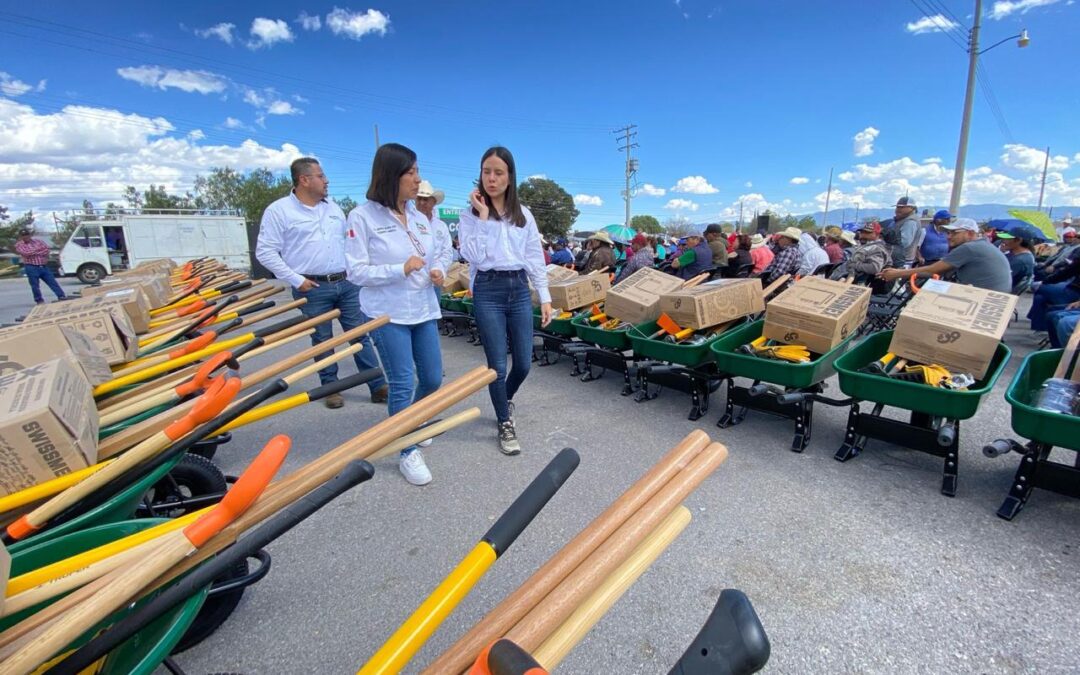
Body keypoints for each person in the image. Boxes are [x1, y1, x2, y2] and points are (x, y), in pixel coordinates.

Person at [344, 143, 443, 485]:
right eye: (412, 172)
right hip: (388, 313)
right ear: (391, 175)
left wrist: (438, 270)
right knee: (402, 381)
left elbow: (437, 253)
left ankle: (410, 421)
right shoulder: (362, 216)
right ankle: (405, 450)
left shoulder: (419, 217)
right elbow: (356, 272)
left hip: (423, 307)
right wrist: (398, 269)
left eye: (418, 171)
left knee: (432, 378)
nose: (418, 180)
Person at [256, 157, 388, 408]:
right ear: (304, 180)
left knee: (360, 334)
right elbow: (265, 252)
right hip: (312, 287)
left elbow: (348, 243)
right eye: (320, 176)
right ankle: (330, 387)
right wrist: (296, 279)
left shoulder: (334, 209)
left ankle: (377, 385)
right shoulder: (279, 211)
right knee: (323, 338)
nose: (326, 180)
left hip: (346, 283)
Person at [458, 146, 551, 455]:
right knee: (497, 365)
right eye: (487, 172)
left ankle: (503, 398)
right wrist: (484, 216)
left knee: (524, 363)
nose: (492, 178)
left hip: (519, 289)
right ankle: (503, 422)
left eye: (499, 172)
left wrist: (546, 297)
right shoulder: (470, 215)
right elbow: (472, 256)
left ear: (510, 177)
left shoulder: (523, 215)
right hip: (489, 289)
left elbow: (535, 258)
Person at [878, 218, 1011, 292]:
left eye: (954, 233)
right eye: (948, 233)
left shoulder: (970, 248)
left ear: (970, 233)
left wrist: (896, 273)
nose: (949, 237)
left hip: (983, 299)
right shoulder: (982, 245)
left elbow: (933, 269)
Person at [414, 179, 454, 297]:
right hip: (413, 281)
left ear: (433, 202)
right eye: (419, 199)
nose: (421, 202)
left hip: (434, 281)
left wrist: (439, 270)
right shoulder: (407, 223)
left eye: (425, 199)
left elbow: (447, 252)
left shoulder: (441, 226)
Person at [1028, 254, 1080, 333]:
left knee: (1037, 287)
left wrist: (1044, 281)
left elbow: (1067, 271)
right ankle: (1039, 328)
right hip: (1070, 286)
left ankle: (1040, 327)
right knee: (1040, 297)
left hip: (1075, 291)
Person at [13, 227, 66, 304]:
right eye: (23, 235)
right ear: (21, 237)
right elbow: (26, 253)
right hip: (31, 267)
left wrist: (34, 252)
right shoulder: (19, 245)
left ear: (30, 235)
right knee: (35, 285)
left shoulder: (38, 241)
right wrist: (39, 250)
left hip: (43, 266)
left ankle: (61, 296)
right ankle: (39, 300)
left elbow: (46, 250)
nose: (26, 237)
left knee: (52, 282)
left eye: (27, 235)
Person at [884, 196, 920, 268]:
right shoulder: (901, 219)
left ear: (912, 208)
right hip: (897, 258)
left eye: (902, 207)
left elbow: (904, 242)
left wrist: (886, 240)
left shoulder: (910, 222)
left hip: (902, 260)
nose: (898, 209)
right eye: (897, 207)